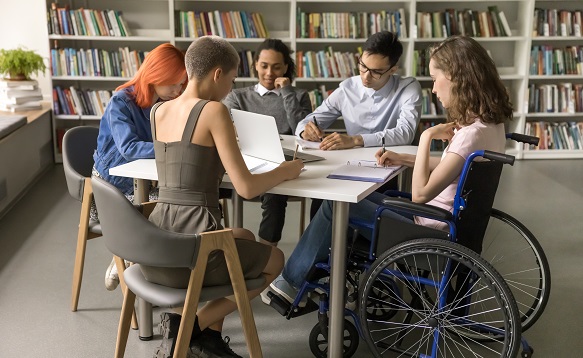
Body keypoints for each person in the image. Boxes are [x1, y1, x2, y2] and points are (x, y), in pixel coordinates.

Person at [269, 35, 513, 306]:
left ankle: (290, 282)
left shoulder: (469, 134)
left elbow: (419, 194)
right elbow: (454, 167)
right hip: (447, 221)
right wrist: (403, 159)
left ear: (456, 77)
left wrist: (425, 138)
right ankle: (312, 279)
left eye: (435, 79)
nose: (433, 89)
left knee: (335, 205)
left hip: (428, 228)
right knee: (356, 198)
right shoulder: (489, 125)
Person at [145, 36, 304, 358]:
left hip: (157, 240)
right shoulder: (214, 111)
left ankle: (209, 342)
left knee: (243, 236)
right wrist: (287, 170)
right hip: (195, 243)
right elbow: (246, 188)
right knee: (274, 261)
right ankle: (189, 329)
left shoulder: (158, 110)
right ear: (218, 74)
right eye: (231, 80)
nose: (231, 87)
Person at [294, 31, 423, 217]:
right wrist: (305, 131)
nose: (365, 77)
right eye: (363, 66)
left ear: (393, 70)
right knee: (321, 197)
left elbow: (405, 133)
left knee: (371, 206)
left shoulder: (408, 87)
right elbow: (309, 121)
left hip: (387, 167)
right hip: (348, 166)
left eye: (376, 72)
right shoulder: (347, 88)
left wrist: (356, 140)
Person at [91, 43, 187, 291]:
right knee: (167, 208)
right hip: (111, 186)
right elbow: (130, 148)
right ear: (156, 76)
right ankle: (129, 262)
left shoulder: (165, 102)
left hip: (145, 180)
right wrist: (174, 146)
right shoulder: (120, 102)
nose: (179, 90)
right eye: (175, 83)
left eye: (182, 83)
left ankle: (144, 269)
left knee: (177, 206)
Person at [223, 38, 312, 247]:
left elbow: (302, 130)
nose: (270, 73)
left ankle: (265, 253)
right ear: (255, 65)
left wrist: (287, 92)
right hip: (245, 162)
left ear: (286, 68)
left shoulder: (299, 95)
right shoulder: (238, 96)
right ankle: (219, 247)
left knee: (275, 193)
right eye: (264, 66)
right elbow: (226, 130)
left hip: (281, 163)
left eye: (276, 67)